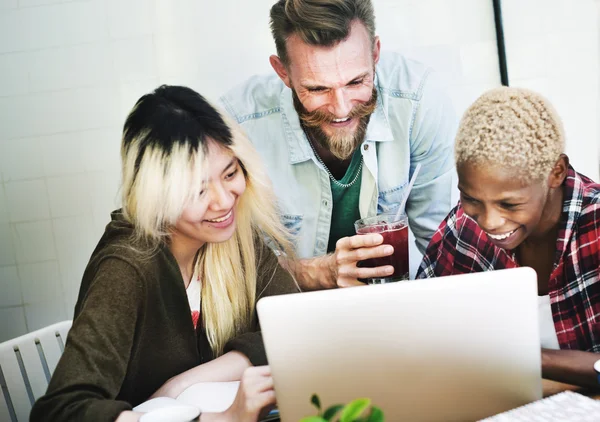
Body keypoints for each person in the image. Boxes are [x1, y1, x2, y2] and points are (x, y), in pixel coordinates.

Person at [30, 85, 301, 422]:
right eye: (198, 190)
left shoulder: (233, 234)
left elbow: (293, 325)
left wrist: (183, 384)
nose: (224, 200)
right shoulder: (127, 268)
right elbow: (61, 411)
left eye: (230, 173)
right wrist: (218, 419)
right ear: (156, 196)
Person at [219, 0, 457, 289]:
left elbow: (443, 249)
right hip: (292, 318)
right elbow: (222, 262)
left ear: (375, 54)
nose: (341, 109)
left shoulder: (419, 102)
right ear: (282, 72)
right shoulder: (238, 126)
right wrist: (313, 273)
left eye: (356, 82)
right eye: (317, 89)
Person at [417, 87, 600, 388]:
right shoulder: (463, 229)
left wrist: (524, 356)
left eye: (509, 204)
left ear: (556, 172)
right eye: (471, 198)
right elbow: (418, 332)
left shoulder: (594, 225)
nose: (489, 221)